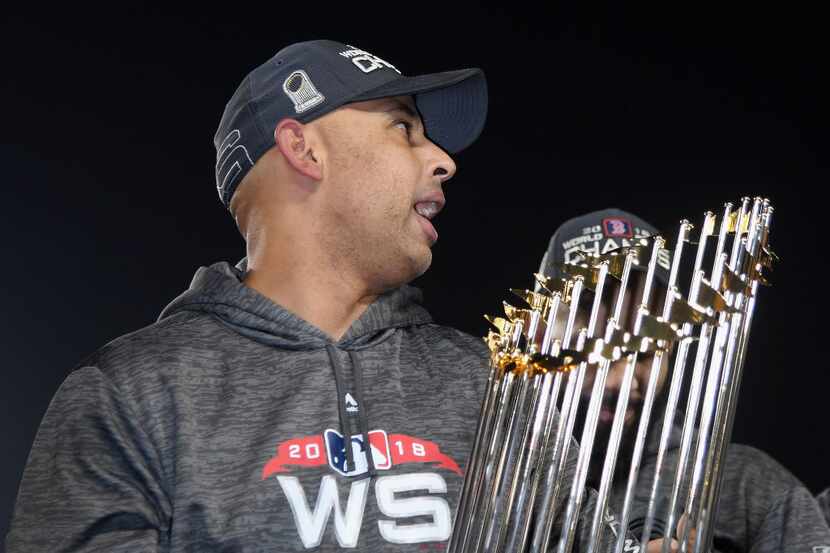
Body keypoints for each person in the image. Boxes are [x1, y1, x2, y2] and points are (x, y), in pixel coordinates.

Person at [6, 40, 650, 553]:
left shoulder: (488, 386)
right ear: (303, 148)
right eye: (404, 129)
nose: (443, 160)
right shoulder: (130, 393)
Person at [537, 208, 830, 552]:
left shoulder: (742, 489)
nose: (622, 380)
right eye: (601, 346)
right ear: (540, 330)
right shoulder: (485, 468)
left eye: (646, 353)